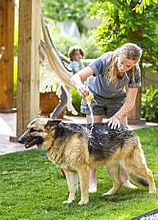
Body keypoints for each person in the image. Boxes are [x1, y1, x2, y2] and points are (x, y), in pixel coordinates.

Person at [70, 42, 142, 193]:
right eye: (122, 62)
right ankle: (91, 181)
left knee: (123, 137)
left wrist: (117, 116)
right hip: (94, 97)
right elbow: (76, 77)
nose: (124, 67)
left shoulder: (134, 71)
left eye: (129, 65)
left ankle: (125, 179)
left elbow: (130, 102)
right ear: (118, 56)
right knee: (93, 139)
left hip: (117, 100)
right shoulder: (104, 61)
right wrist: (80, 86)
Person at [50, 46, 85, 119]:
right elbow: (77, 73)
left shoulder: (79, 63)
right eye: (76, 54)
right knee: (63, 102)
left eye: (79, 54)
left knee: (64, 102)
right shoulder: (74, 63)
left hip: (67, 84)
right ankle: (53, 118)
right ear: (72, 56)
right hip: (66, 83)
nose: (78, 56)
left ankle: (53, 117)